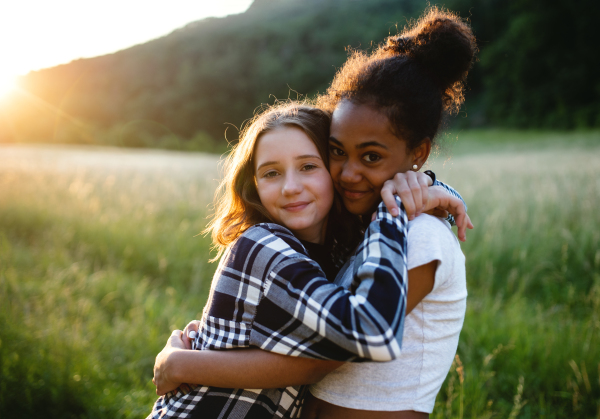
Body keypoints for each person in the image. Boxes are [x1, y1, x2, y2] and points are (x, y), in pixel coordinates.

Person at [152, 6, 477, 419]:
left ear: (418, 154)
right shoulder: (344, 236)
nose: (348, 173)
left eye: (371, 157)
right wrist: (417, 189)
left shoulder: (420, 236)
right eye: (337, 152)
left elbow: (330, 356)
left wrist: (183, 364)